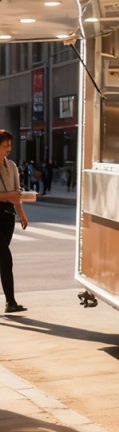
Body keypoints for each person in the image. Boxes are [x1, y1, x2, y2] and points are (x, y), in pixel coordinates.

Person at [0, 129, 29, 314]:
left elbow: (16, 194)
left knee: (2, 260)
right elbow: (9, 195)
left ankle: (10, 302)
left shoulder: (11, 165)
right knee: (5, 258)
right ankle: (11, 302)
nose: (9, 148)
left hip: (8, 216)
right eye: (5, 145)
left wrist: (22, 215)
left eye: (10, 144)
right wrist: (6, 196)